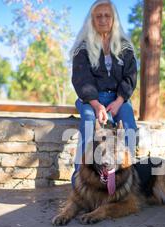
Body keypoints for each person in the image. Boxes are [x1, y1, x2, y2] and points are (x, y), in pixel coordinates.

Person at [70, 0, 138, 188]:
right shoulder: (82, 48)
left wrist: (119, 101)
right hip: (90, 99)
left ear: (114, 19)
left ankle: (124, 179)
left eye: (107, 15)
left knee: (129, 128)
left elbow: (130, 76)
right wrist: (96, 104)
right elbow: (81, 79)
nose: (103, 19)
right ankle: (79, 180)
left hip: (118, 99)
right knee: (90, 124)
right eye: (98, 16)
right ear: (91, 20)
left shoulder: (125, 47)